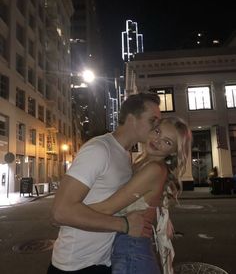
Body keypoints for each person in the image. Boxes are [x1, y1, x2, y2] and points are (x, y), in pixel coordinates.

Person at [47, 92, 161, 273]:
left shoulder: (124, 155)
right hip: (75, 265)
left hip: (103, 261)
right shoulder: (99, 149)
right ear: (132, 119)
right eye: (152, 121)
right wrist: (125, 225)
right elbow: (60, 212)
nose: (157, 128)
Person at [88, 116, 192, 274]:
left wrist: (69, 212)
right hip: (126, 246)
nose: (157, 140)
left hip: (131, 251)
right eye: (157, 132)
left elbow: (108, 207)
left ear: (172, 152)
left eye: (167, 142)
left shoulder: (155, 169)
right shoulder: (141, 163)